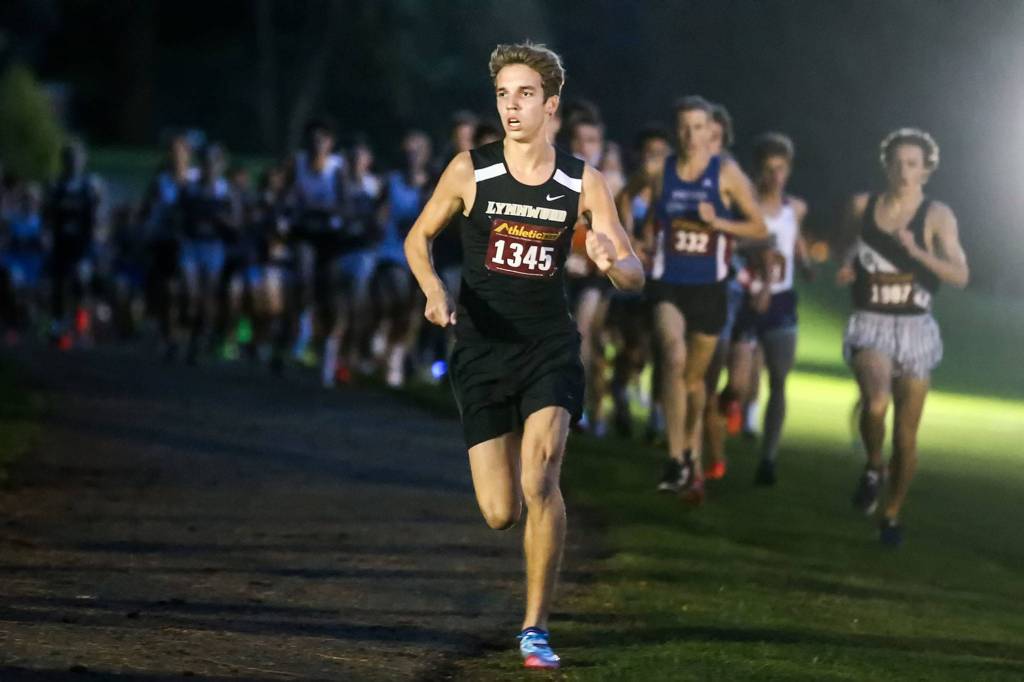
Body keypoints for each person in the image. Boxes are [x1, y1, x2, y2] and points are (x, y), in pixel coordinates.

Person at [404, 42, 643, 669]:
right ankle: (527, 584)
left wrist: (615, 263)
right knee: (500, 511)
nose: (512, 106)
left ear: (551, 104)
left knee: (542, 477)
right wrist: (433, 290)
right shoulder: (469, 171)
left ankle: (535, 629)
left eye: (526, 94)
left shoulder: (581, 180)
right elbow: (418, 237)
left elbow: (632, 270)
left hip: (548, 347)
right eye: (504, 94)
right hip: (481, 350)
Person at [838, 128, 968, 547]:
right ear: (886, 166)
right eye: (896, 163)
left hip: (916, 329)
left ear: (926, 171)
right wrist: (846, 265)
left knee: (907, 436)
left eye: (912, 164)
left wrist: (917, 252)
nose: (903, 171)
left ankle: (891, 515)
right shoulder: (863, 206)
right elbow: (847, 246)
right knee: (876, 403)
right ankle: (874, 466)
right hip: (872, 322)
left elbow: (960, 275)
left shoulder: (936, 215)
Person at [644, 96, 766, 503]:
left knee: (695, 382)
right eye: (683, 128)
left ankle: (691, 458)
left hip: (710, 289)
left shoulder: (726, 174)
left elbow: (758, 226)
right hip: (667, 281)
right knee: (673, 356)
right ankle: (676, 456)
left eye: (698, 128)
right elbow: (625, 197)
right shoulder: (660, 170)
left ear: (709, 131)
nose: (690, 136)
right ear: (676, 130)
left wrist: (721, 223)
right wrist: (636, 240)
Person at [725, 133, 811, 485]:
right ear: (757, 171)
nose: (775, 176)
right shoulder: (746, 207)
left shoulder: (796, 208)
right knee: (738, 386)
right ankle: (726, 418)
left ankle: (769, 459)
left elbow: (794, 237)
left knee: (778, 379)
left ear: (788, 171)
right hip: (747, 298)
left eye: (781, 169)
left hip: (781, 301)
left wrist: (804, 261)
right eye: (768, 169)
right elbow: (733, 241)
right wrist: (759, 245)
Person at [45, 139, 104, 349]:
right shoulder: (56, 185)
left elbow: (97, 215)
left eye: (77, 157)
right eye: (69, 158)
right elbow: (49, 214)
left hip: (83, 244)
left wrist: (97, 237)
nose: (73, 162)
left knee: (81, 282)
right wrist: (47, 235)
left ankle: (81, 327)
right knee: (59, 284)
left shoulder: (91, 185)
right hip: (62, 242)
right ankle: (58, 325)